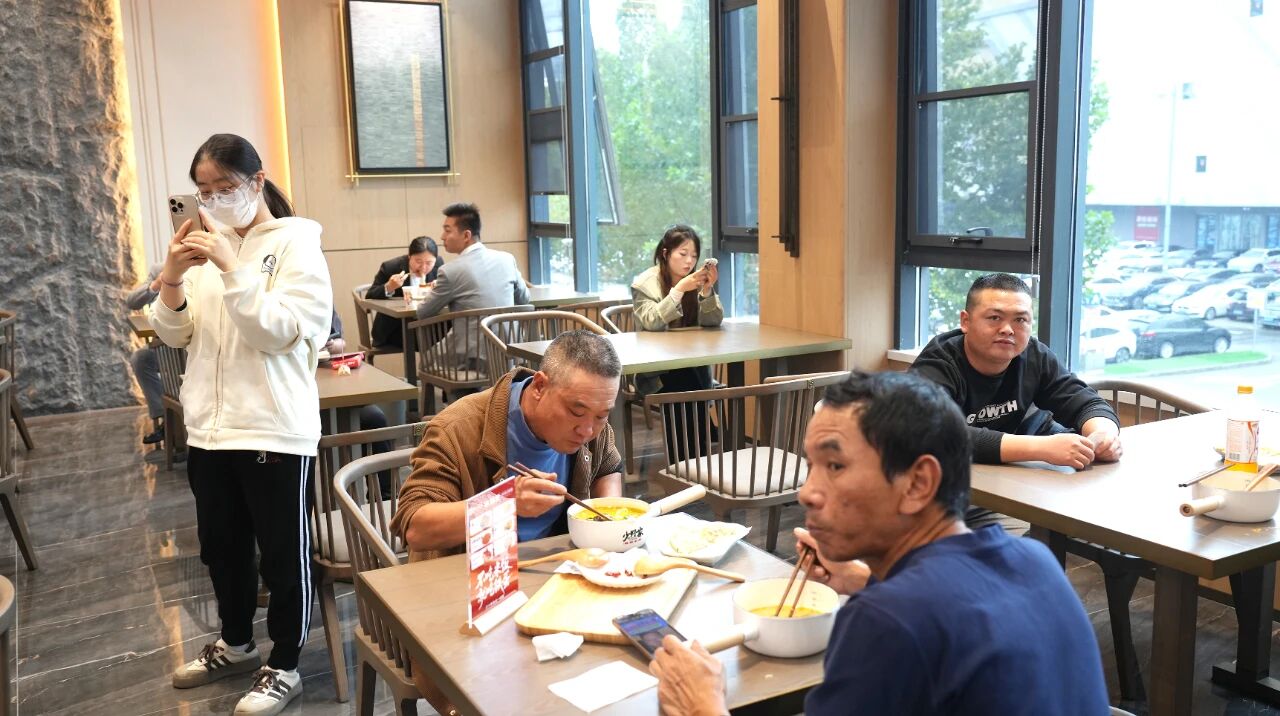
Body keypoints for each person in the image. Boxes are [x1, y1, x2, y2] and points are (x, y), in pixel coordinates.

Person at [648, 371, 1111, 716]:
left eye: (834, 466)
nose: (806, 492)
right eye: (810, 466)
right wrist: (866, 580)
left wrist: (701, 706)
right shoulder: (1033, 559)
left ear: (918, 483)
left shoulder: (886, 621)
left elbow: (916, 623)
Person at [151, 133, 332, 716]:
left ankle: (285, 665)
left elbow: (277, 333)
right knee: (221, 549)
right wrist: (172, 277)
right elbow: (175, 334)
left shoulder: (298, 244)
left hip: (274, 428)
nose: (212, 201)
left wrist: (232, 269)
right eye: (203, 192)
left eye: (224, 188)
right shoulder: (206, 245)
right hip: (210, 427)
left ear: (257, 181)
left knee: (283, 556)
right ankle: (236, 644)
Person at [390, 330, 623, 713]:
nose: (587, 430)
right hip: (468, 593)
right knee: (500, 697)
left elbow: (608, 465)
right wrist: (503, 502)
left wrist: (606, 519)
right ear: (540, 387)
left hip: (554, 585)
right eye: (576, 412)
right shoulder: (459, 427)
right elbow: (415, 525)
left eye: (602, 416)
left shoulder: (591, 426)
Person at [911, 273, 1122, 471]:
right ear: (966, 321)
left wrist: (1103, 436)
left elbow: (1087, 403)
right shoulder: (937, 365)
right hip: (957, 475)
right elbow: (934, 431)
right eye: (995, 317)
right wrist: (1041, 448)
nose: (1007, 329)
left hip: (1021, 467)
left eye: (1020, 320)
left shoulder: (1034, 355)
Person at [631, 225, 723, 459]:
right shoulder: (645, 283)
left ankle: (690, 458)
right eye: (683, 254)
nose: (689, 261)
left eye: (693, 255)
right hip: (655, 370)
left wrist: (707, 290)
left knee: (691, 374)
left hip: (692, 366)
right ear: (665, 253)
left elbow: (713, 322)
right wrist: (679, 289)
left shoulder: (696, 280)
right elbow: (651, 322)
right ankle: (692, 456)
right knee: (687, 380)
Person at [363, 235, 443, 348]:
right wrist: (389, 287)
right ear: (409, 256)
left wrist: (440, 287)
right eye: (418, 261)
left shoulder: (439, 264)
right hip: (395, 329)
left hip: (427, 324)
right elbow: (369, 296)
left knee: (447, 333)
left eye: (429, 263)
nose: (423, 267)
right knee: (430, 340)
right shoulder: (391, 267)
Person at [126, 263, 165, 445]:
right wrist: (156, 284)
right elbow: (132, 301)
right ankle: (166, 419)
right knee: (141, 359)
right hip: (168, 346)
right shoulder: (161, 269)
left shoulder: (207, 268)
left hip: (201, 345)